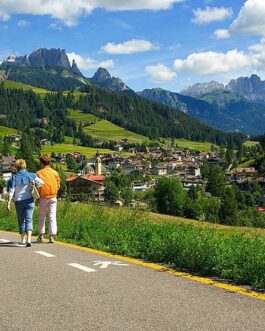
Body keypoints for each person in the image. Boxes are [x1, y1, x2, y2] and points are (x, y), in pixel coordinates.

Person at [7, 159, 44, 247]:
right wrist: (35, 185)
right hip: (29, 201)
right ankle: (29, 239)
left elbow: (11, 192)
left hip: (18, 202)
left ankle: (23, 240)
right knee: (29, 219)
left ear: (17, 167)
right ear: (24, 165)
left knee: (21, 221)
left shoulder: (14, 178)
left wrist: (8, 203)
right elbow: (42, 183)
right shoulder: (31, 175)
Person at [36, 154, 60, 244]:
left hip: (43, 197)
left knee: (42, 216)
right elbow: (58, 185)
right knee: (52, 216)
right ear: (49, 162)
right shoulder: (55, 173)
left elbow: (38, 187)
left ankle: (41, 235)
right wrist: (54, 192)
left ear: (41, 163)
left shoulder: (39, 173)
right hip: (53, 197)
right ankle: (51, 236)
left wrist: (37, 198)